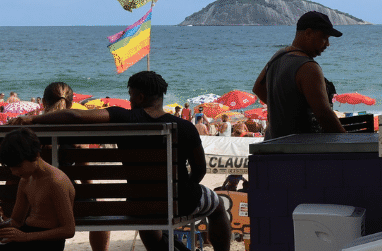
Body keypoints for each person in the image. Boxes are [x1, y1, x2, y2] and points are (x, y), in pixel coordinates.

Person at [12, 71, 233, 251]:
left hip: (137, 203)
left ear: (139, 97)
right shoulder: (185, 127)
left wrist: (33, 119)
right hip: (179, 200)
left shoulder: (123, 117)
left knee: (149, 226)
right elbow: (200, 170)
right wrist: (181, 190)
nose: (128, 100)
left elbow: (76, 116)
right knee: (218, 207)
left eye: (130, 95)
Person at [252, 11, 347, 140]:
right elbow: (324, 114)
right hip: (300, 149)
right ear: (308, 33)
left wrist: (282, 111)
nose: (327, 44)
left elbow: (258, 88)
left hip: (273, 142)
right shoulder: (308, 67)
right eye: (324, 37)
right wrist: (346, 139)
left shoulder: (278, 55)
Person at [40, 83, 110, 251]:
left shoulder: (28, 130)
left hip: (34, 200)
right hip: (72, 201)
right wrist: (93, 199)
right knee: (100, 212)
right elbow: (85, 178)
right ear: (71, 105)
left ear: (43, 102)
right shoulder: (76, 133)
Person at [0, 128, 76, 250]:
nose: (14, 172)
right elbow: (16, 221)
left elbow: (69, 230)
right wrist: (3, 224)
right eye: (11, 168)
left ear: (36, 155)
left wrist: (26, 237)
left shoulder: (56, 182)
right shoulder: (26, 179)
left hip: (49, 242)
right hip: (27, 233)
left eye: (18, 166)